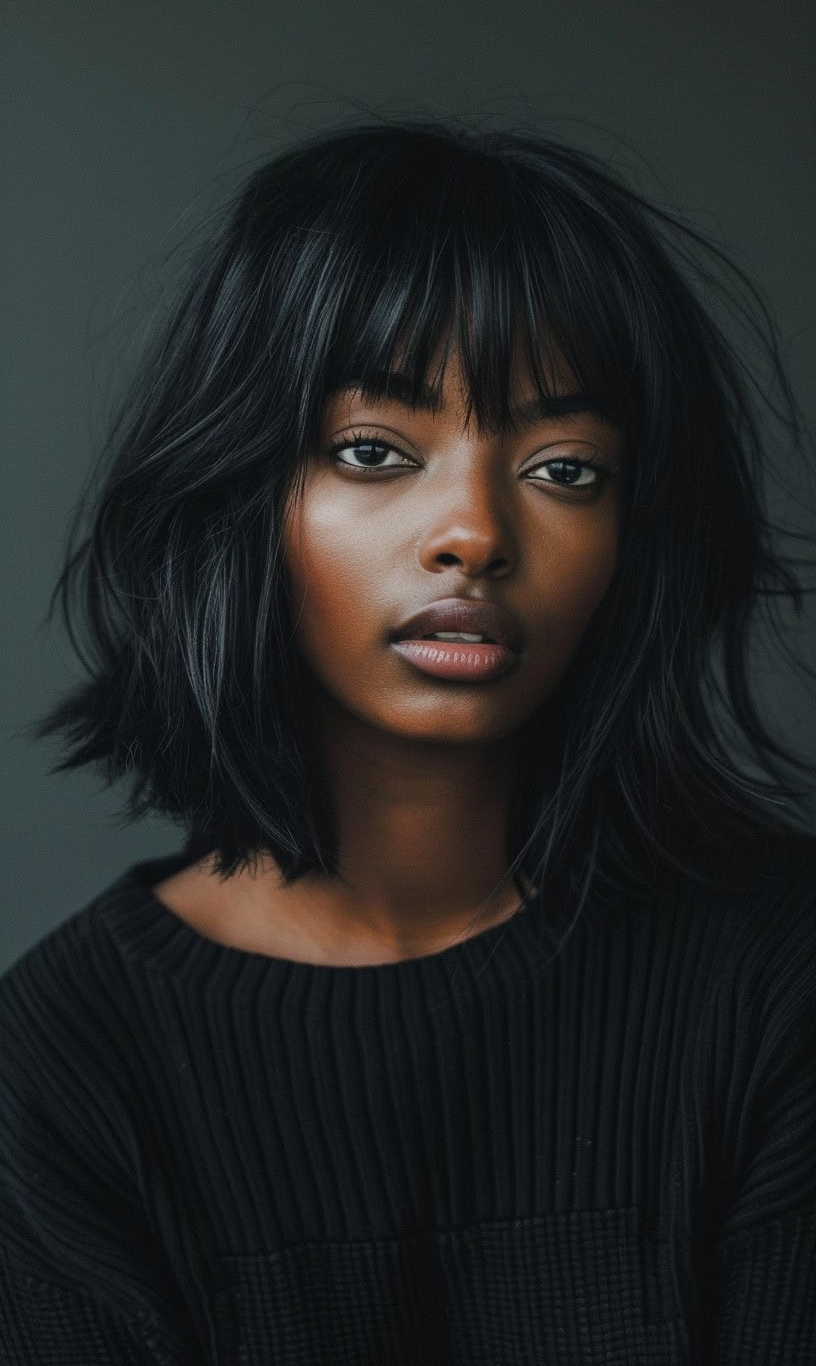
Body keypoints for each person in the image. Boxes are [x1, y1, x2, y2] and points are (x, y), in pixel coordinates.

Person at [1, 115, 815, 1363]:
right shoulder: (60, 1062)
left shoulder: (774, 969)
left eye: (565, 468)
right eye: (375, 451)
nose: (475, 531)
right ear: (239, 499)